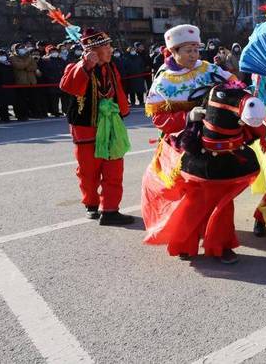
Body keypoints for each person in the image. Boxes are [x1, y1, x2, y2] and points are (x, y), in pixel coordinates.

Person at [142, 24, 248, 263]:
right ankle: (186, 242)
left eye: (195, 50)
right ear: (174, 51)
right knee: (193, 196)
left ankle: (221, 244)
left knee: (222, 191)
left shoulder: (210, 69)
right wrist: (187, 116)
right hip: (184, 143)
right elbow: (159, 119)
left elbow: (236, 90)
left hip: (216, 140)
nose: (193, 55)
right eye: (187, 50)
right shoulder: (164, 80)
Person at [59, 28, 133, 225]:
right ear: (93, 50)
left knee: (114, 169)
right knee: (88, 171)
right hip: (86, 128)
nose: (111, 50)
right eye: (106, 46)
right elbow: (68, 86)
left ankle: (110, 210)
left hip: (112, 126)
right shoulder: (75, 66)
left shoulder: (111, 68)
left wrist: (121, 113)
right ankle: (91, 205)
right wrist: (86, 64)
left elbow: (118, 92)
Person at [10, 43, 37, 121]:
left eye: (22, 47)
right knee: (21, 100)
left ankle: (31, 113)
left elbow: (34, 66)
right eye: (19, 48)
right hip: (20, 82)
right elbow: (19, 66)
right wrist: (28, 61)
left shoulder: (29, 56)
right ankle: (21, 115)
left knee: (31, 99)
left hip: (31, 81)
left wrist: (27, 68)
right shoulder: (12, 57)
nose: (22, 49)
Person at [39, 45, 66, 117]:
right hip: (51, 82)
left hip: (61, 81)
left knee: (64, 98)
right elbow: (45, 71)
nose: (55, 53)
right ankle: (55, 111)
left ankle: (65, 110)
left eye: (56, 51)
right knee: (54, 98)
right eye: (52, 52)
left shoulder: (61, 60)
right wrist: (51, 78)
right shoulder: (46, 61)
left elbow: (65, 69)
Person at [0, 49, 15, 122]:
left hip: (9, 86)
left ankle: (8, 116)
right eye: (0, 55)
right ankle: (4, 117)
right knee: (2, 104)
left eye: (4, 55)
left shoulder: (8, 64)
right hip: (0, 87)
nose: (3, 57)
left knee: (9, 101)